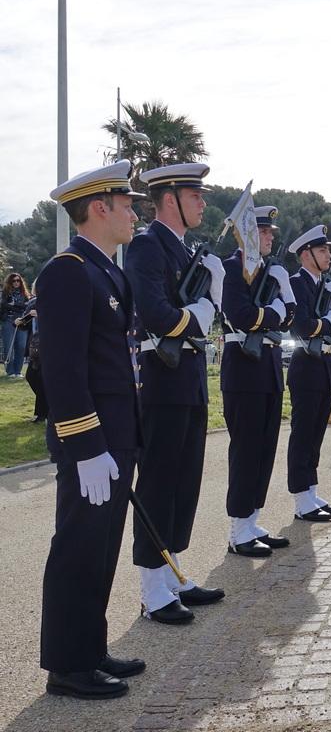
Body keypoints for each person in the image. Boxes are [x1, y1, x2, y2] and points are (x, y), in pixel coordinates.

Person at [39, 161, 144, 699]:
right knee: (79, 547)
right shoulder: (67, 271)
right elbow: (62, 370)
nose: (134, 215)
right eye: (127, 205)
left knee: (101, 547)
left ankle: (90, 647)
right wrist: (85, 446)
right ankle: (68, 665)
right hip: (91, 441)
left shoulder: (106, 271)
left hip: (115, 437)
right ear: (99, 207)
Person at [126, 163, 224, 624]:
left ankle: (172, 572)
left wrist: (210, 298)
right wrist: (202, 311)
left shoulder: (187, 251)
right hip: (162, 379)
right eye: (194, 195)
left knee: (185, 480)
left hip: (189, 375)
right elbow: (155, 313)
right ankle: (151, 588)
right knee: (160, 480)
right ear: (169, 199)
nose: (202, 203)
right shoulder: (147, 246)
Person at [219, 205, 294, 557]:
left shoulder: (269, 272)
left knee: (265, 450)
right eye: (263, 232)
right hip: (243, 369)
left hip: (269, 367)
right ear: (246, 234)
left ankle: (252, 520)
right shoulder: (232, 268)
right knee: (246, 449)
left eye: (270, 233)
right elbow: (240, 315)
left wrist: (285, 294)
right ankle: (238, 529)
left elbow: (289, 316)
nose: (269, 238)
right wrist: (273, 313)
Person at [285, 224, 331, 522]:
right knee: (303, 434)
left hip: (323, 365)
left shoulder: (323, 284)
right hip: (305, 366)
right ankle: (301, 499)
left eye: (327, 251)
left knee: (316, 435)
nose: (328, 256)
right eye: (322, 251)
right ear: (305, 254)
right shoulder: (296, 284)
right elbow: (304, 326)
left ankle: (311, 491)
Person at [18, 297, 46, 422]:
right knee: (31, 376)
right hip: (34, 347)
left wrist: (41, 315)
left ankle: (42, 414)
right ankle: (44, 411)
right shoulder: (33, 303)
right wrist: (19, 322)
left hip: (48, 346)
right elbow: (24, 325)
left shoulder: (54, 301)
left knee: (41, 379)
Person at [1, 272, 31, 376]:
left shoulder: (25, 294)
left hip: (22, 321)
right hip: (8, 321)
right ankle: (10, 372)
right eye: (14, 281)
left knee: (21, 346)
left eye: (18, 280)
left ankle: (18, 371)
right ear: (10, 282)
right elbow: (4, 305)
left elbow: (27, 306)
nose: (16, 282)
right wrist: (19, 306)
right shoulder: (5, 293)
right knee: (8, 347)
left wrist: (14, 305)